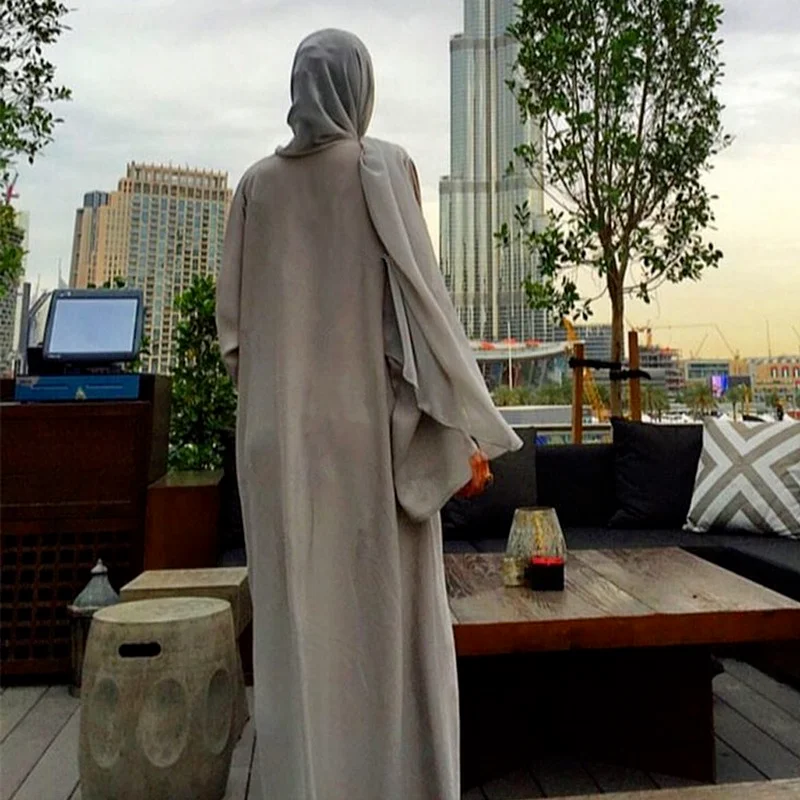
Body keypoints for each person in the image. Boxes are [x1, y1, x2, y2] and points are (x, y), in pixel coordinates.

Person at [216, 29, 522, 800]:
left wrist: (287, 395)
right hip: (371, 444)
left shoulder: (254, 188)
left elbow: (235, 340)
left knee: (296, 632)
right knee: (388, 632)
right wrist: (459, 431)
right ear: (360, 87)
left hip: (276, 444)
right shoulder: (384, 168)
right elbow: (422, 319)